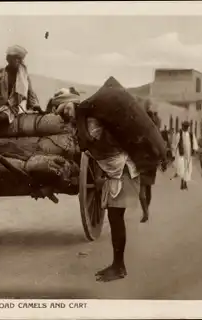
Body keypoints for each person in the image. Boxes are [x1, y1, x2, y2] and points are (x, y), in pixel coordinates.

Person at [54, 94, 140, 282]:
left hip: (121, 170)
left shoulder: (90, 122)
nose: (66, 116)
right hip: (116, 171)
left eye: (67, 110)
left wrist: (81, 128)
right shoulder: (85, 122)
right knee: (115, 218)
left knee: (116, 218)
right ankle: (118, 265)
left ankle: (119, 266)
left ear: (76, 106)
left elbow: (90, 144)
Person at [0, 45, 42, 128]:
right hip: (0, 105)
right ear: (9, 59)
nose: (18, 61)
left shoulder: (24, 77)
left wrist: (36, 106)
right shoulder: (1, 74)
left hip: (16, 107)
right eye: (15, 58)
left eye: (19, 59)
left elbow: (30, 93)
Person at [139, 110, 161, 223]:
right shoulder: (148, 131)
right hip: (144, 163)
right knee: (144, 188)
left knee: (146, 188)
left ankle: (146, 210)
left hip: (149, 163)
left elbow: (159, 147)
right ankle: (145, 211)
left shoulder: (152, 132)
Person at [172, 120, 199, 190]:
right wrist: (173, 154)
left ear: (188, 127)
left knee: (187, 169)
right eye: (184, 126)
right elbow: (175, 144)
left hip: (188, 155)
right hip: (181, 155)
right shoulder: (179, 134)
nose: (185, 127)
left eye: (187, 126)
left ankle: (185, 183)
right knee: (182, 169)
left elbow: (194, 143)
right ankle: (182, 182)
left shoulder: (191, 135)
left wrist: (194, 150)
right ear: (182, 126)